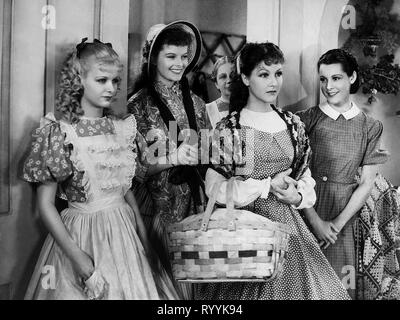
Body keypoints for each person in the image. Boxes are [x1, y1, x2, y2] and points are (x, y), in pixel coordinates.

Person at [22, 38, 178, 300]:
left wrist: (141, 229)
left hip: (124, 232)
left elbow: (124, 187)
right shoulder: (59, 131)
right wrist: (79, 259)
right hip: (81, 233)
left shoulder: (122, 127)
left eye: (115, 81)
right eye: (101, 80)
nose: (111, 88)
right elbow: (46, 205)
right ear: (78, 79)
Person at [195, 42, 350, 300]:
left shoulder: (292, 125)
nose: (273, 82)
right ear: (245, 78)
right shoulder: (229, 128)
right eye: (263, 74)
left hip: (289, 230)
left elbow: (305, 178)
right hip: (245, 233)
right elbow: (215, 188)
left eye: (278, 73)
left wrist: (297, 196)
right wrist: (265, 185)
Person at [127, 21, 211, 299]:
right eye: (171, 56)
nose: (179, 64)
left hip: (194, 207)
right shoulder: (137, 105)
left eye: (184, 57)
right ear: (153, 59)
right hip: (154, 209)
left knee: (194, 287)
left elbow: (209, 153)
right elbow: (133, 171)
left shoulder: (198, 104)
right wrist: (172, 157)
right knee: (161, 290)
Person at [297, 49, 389, 299]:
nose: (328, 86)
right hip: (307, 208)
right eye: (324, 79)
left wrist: (335, 226)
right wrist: (316, 223)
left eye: (336, 78)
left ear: (351, 78)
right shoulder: (304, 120)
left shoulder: (370, 127)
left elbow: (367, 183)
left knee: (338, 288)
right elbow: (296, 177)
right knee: (303, 287)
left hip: (345, 215)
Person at [206, 56, 234, 128]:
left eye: (233, 75)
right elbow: (204, 138)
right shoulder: (208, 111)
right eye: (223, 77)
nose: (229, 80)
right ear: (216, 84)